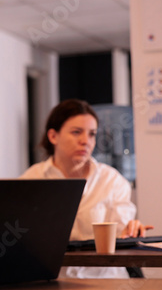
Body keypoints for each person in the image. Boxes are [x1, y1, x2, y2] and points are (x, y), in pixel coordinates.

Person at [20, 99, 153, 278]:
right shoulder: (31, 180)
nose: (85, 141)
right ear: (53, 136)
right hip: (54, 283)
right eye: (76, 132)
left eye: (92, 134)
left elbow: (122, 235)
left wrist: (130, 231)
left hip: (104, 282)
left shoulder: (112, 180)